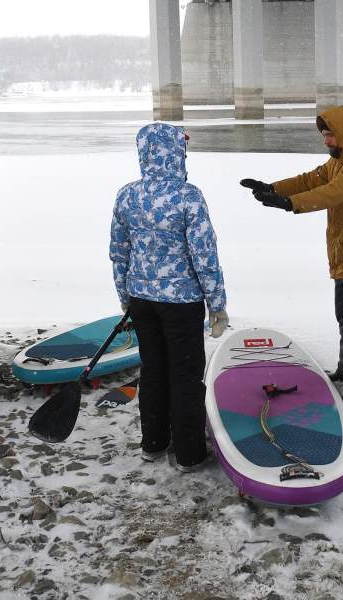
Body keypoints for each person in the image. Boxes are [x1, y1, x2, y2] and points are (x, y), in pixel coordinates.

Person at [239, 105, 343, 404]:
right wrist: (273, 188)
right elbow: (312, 180)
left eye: (330, 135)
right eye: (324, 135)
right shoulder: (340, 159)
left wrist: (289, 203)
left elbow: (332, 192)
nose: (326, 141)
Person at [110, 122, 228, 471]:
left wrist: (124, 294)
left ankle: (154, 442)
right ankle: (189, 453)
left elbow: (119, 251)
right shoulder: (188, 196)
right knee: (185, 374)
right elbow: (205, 255)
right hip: (181, 302)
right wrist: (217, 304)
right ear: (176, 153)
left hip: (142, 299)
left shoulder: (127, 195)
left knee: (154, 370)